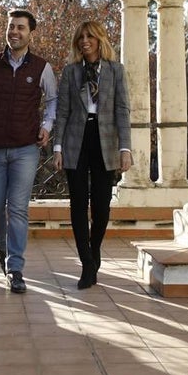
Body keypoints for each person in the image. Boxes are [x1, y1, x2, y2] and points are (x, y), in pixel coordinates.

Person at [0, 9, 57, 294]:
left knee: (17, 208)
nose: (14, 32)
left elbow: (53, 98)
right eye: (11, 27)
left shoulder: (42, 67)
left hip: (25, 149)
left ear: (31, 33)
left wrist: (47, 125)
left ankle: (15, 268)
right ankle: (4, 251)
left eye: (20, 28)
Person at [52, 20, 132, 289]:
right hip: (76, 141)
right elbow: (62, 112)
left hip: (105, 141)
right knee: (77, 204)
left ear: (100, 40)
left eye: (90, 36)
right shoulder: (71, 72)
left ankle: (94, 248)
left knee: (102, 205)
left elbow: (122, 110)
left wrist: (125, 149)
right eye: (81, 37)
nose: (85, 41)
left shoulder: (115, 71)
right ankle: (87, 264)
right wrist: (58, 147)